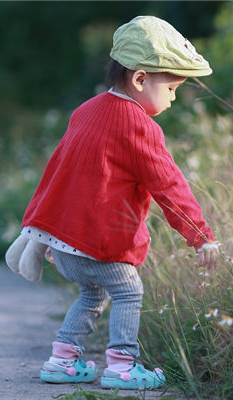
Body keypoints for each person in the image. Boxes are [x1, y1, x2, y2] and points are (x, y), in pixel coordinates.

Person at [18, 16, 219, 390]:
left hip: (65, 241)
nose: (174, 98)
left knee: (91, 293)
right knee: (129, 291)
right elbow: (169, 186)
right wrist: (199, 234)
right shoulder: (138, 125)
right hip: (96, 244)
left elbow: (57, 171)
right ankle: (123, 366)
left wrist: (43, 229)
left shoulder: (86, 110)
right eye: (172, 88)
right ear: (140, 79)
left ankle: (63, 359)